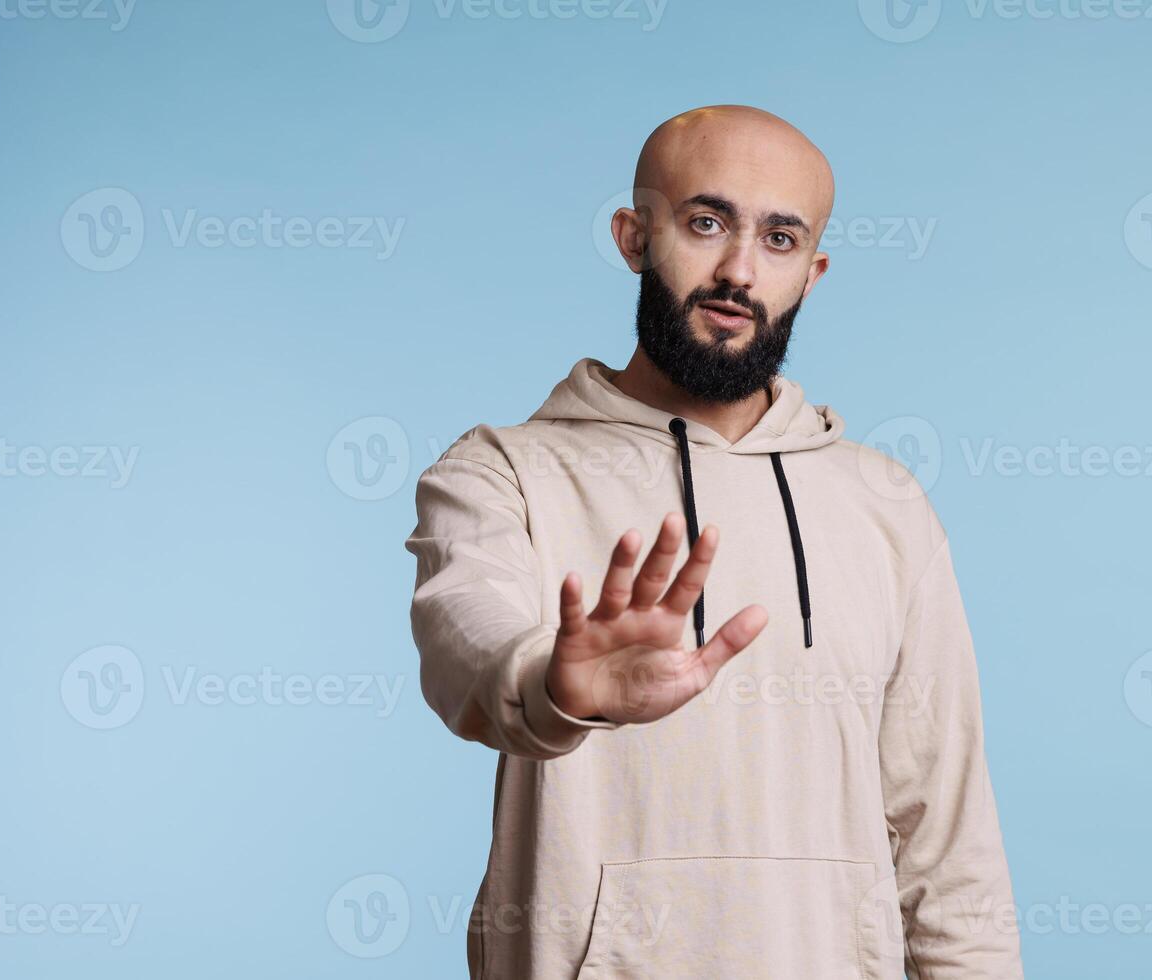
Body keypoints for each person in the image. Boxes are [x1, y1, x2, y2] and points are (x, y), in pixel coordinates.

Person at [404, 104, 1024, 979]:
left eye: (779, 239)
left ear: (812, 273)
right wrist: (552, 683)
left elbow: (949, 840)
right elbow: (464, 644)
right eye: (707, 223)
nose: (739, 270)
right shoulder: (504, 472)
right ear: (633, 237)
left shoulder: (885, 502)